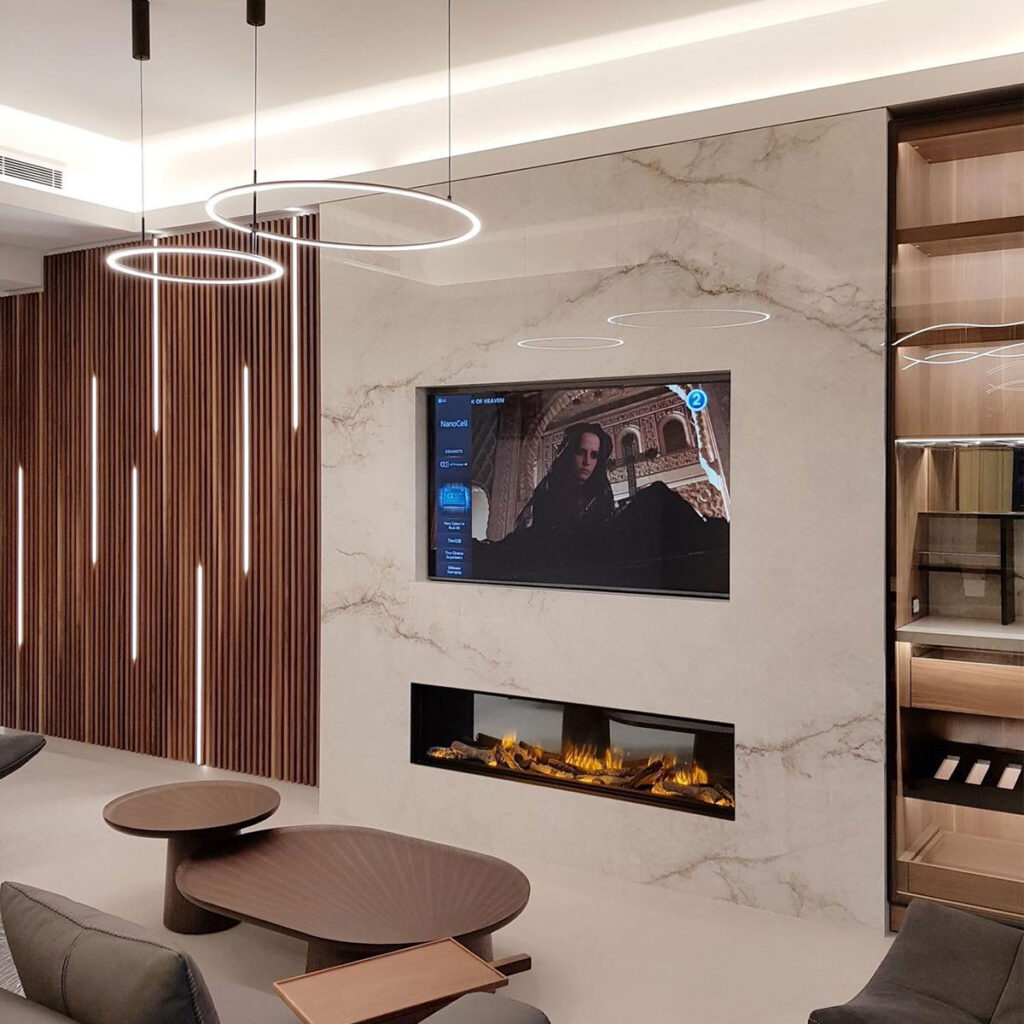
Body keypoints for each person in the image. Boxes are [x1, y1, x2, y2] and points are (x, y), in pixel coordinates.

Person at [515, 422, 614, 531]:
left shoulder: (601, 498)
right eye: (580, 452)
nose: (587, 462)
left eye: (594, 455)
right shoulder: (546, 495)